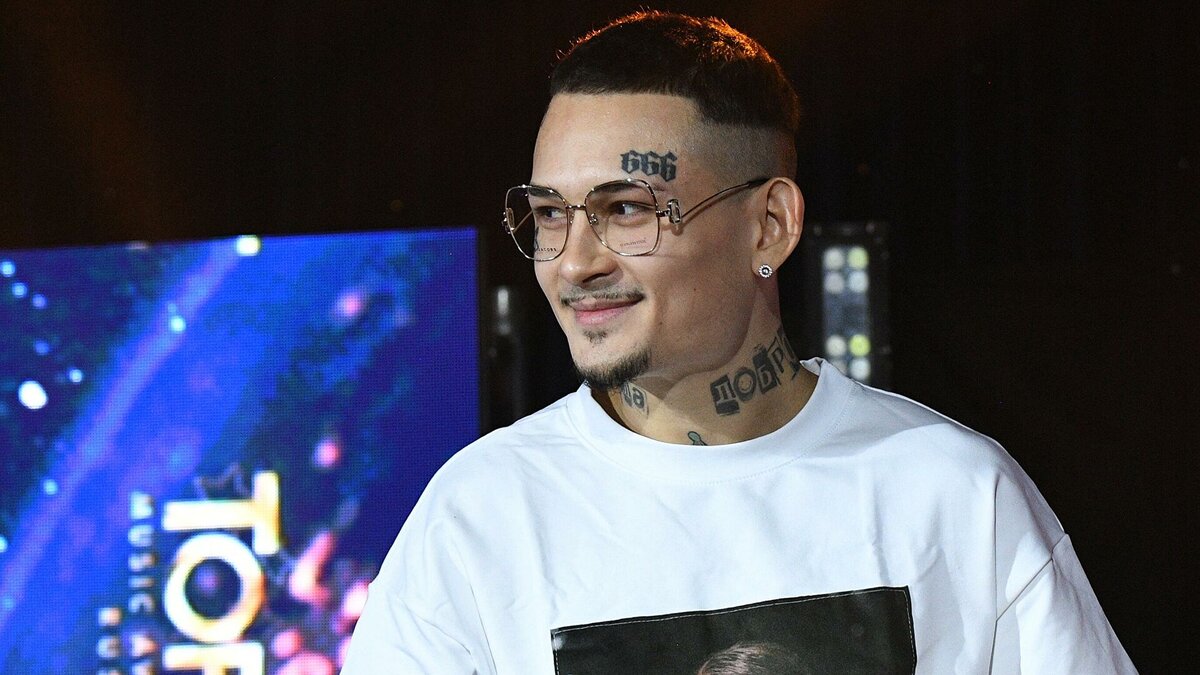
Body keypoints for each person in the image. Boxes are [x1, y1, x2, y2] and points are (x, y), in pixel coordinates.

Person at [343, 10, 1134, 673]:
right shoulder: (479, 516)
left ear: (770, 224)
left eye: (627, 209)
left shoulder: (954, 492)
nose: (574, 263)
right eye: (551, 214)